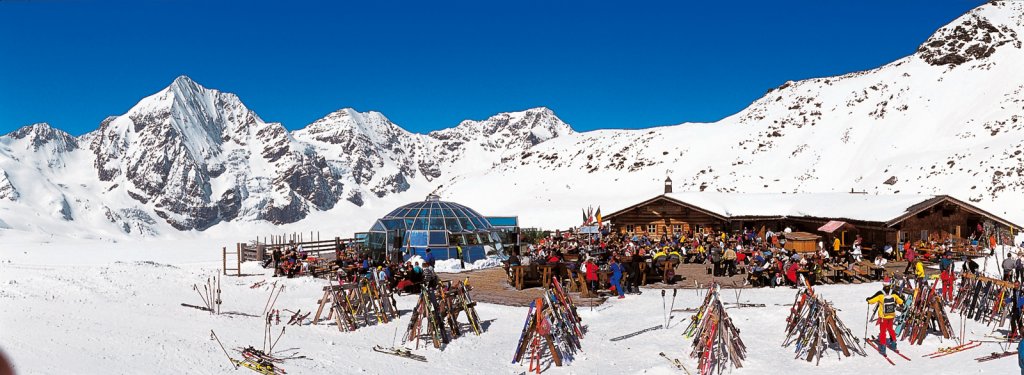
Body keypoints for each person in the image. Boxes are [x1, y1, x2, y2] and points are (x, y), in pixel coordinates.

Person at [866, 277, 906, 357]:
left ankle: (883, 347)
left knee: (883, 331)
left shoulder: (880, 293)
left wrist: (868, 299)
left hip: (883, 317)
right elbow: (901, 301)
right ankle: (894, 344)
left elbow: (871, 301)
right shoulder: (894, 293)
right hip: (891, 316)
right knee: (890, 329)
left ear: (883, 284)